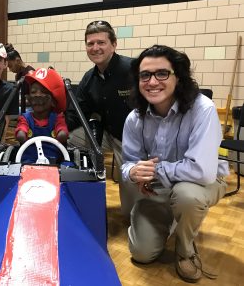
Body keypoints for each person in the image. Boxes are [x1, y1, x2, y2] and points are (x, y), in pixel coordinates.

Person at [121, 45, 228, 283]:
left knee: (187, 195)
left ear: (178, 77)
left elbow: (201, 171)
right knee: (141, 254)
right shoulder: (135, 118)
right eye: (145, 75)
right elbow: (127, 163)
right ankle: (168, 221)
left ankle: (185, 250)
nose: (152, 81)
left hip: (203, 182)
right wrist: (135, 172)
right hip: (158, 188)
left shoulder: (203, 109)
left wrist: (154, 171)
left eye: (162, 73)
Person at [65, 20, 137, 216]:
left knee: (130, 209)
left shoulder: (133, 69)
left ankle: (138, 214)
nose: (95, 48)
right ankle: (86, 186)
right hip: (108, 134)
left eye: (101, 42)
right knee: (73, 138)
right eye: (90, 43)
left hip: (133, 141)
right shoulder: (89, 78)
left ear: (114, 44)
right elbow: (77, 110)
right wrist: (59, 132)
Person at [15, 68, 68, 163]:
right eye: (33, 92)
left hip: (54, 161)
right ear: (29, 99)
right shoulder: (25, 118)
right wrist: (21, 133)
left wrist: (62, 134)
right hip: (28, 161)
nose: (37, 96)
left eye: (44, 92)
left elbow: (61, 128)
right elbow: (22, 128)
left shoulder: (57, 118)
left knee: (68, 166)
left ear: (53, 101)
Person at [5, 43, 34, 113]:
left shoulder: (31, 74)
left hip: (30, 109)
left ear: (17, 61)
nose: (10, 70)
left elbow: (34, 100)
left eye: (10, 66)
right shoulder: (18, 75)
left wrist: (15, 102)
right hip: (22, 106)